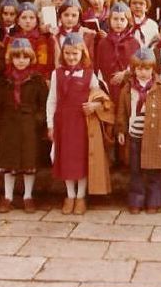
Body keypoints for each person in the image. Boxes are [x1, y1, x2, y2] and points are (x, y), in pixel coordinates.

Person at [46, 33, 113, 215]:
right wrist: (50, 125)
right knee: (66, 159)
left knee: (81, 160)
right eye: (68, 54)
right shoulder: (56, 73)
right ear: (63, 54)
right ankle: (70, 195)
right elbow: (51, 100)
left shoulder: (89, 74)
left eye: (75, 54)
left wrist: (94, 105)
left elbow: (101, 97)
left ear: (82, 54)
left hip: (82, 123)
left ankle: (81, 196)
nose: (71, 57)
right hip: (63, 122)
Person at [0, 38, 48, 214]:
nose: (21, 60)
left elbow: (44, 105)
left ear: (31, 58)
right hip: (8, 125)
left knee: (29, 162)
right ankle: (7, 197)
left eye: (25, 57)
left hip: (29, 126)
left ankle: (28, 196)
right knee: (9, 163)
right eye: (17, 57)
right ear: (11, 58)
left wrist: (37, 121)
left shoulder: (37, 79)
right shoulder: (3, 81)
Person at [116, 47, 161, 214]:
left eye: (147, 69)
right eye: (139, 68)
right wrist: (121, 130)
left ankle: (153, 201)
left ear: (153, 69)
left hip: (153, 137)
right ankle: (136, 200)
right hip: (135, 135)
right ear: (134, 69)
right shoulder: (128, 89)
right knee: (136, 171)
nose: (143, 72)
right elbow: (122, 111)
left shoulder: (159, 89)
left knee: (153, 170)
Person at [5, 2, 55, 81]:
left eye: (32, 18)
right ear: (18, 21)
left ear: (36, 21)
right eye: (24, 18)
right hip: (14, 78)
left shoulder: (41, 40)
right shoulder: (12, 39)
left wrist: (31, 76)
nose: (28, 21)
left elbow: (43, 63)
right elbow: (8, 60)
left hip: (34, 79)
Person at [52, 0, 95, 68]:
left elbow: (91, 59)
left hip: (81, 73)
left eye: (74, 15)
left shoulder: (86, 34)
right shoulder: (56, 35)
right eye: (66, 15)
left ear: (79, 17)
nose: (70, 18)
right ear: (60, 17)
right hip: (60, 73)